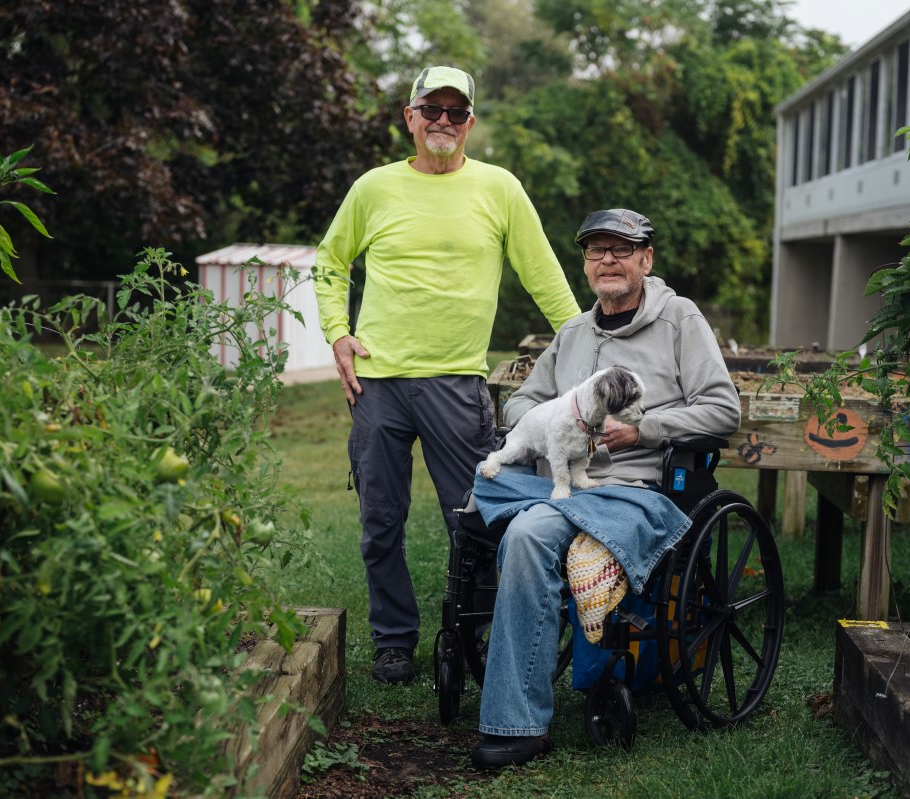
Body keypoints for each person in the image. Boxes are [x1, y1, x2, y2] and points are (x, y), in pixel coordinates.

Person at [313, 66, 581, 685]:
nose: (443, 121)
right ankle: (394, 641)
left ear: (470, 123)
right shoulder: (373, 188)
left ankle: (470, 637)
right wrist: (338, 333)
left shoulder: (500, 188)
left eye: (456, 112)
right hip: (377, 384)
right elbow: (330, 261)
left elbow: (544, 275)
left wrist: (584, 344)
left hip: (457, 385)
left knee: (475, 519)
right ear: (409, 116)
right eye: (431, 109)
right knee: (381, 520)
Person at [467, 208, 742, 768]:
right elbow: (522, 403)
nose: (608, 260)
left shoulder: (680, 320)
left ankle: (517, 725)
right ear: (587, 264)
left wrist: (644, 429)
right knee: (484, 484)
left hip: (637, 488)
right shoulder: (573, 333)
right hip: (564, 486)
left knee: (527, 534)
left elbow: (723, 409)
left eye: (621, 249)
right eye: (597, 250)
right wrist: (553, 417)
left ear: (646, 259)